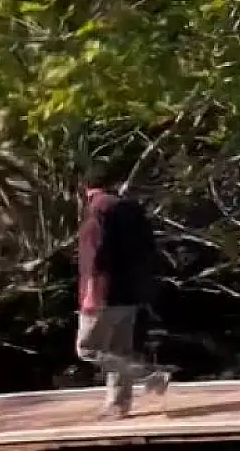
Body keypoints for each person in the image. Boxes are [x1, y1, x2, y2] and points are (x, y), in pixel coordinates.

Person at [76, 164, 169, 419]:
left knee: (87, 349)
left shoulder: (98, 212)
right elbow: (148, 250)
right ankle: (118, 404)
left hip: (104, 293)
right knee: (119, 349)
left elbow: (95, 257)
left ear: (87, 189)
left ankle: (149, 374)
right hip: (130, 292)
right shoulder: (132, 210)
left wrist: (91, 294)